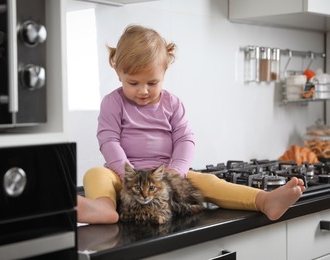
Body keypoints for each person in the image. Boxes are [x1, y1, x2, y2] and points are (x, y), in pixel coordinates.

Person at [77, 24, 306, 224]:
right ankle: (104, 208)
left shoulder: (172, 103)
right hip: (125, 176)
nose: (144, 90)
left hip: (165, 174)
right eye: (134, 83)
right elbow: (108, 139)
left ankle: (264, 200)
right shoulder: (112, 102)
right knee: (96, 174)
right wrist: (127, 174)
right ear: (118, 72)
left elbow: (184, 138)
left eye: (152, 82)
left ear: (165, 72)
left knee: (208, 181)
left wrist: (176, 172)